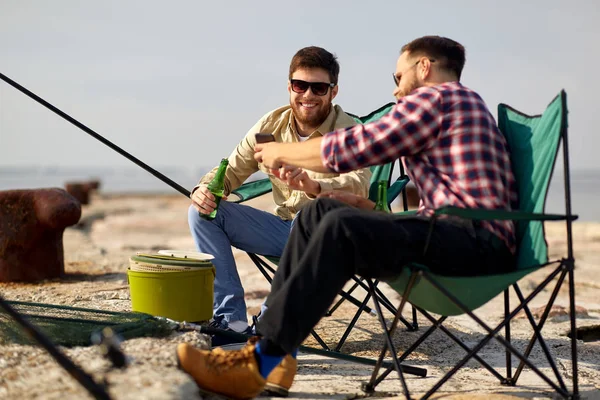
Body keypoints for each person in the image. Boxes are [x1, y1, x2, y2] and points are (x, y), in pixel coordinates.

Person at [177, 35, 518, 399]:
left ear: (424, 68)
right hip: (450, 231)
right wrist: (323, 192)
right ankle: (273, 355)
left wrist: (282, 153)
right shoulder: (454, 105)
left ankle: (257, 362)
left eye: (398, 78)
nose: (397, 93)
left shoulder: (439, 98)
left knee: (337, 226)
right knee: (322, 213)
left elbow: (358, 147)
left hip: (473, 240)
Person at [188, 46, 371, 347]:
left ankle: (269, 328)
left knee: (310, 216)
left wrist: (314, 186)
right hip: (282, 228)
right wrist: (204, 190)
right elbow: (231, 169)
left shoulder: (349, 131)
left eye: (319, 87)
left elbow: (358, 185)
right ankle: (231, 320)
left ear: (333, 92)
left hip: (324, 238)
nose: (308, 95)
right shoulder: (270, 126)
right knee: (202, 212)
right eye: (300, 85)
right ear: (289, 87)